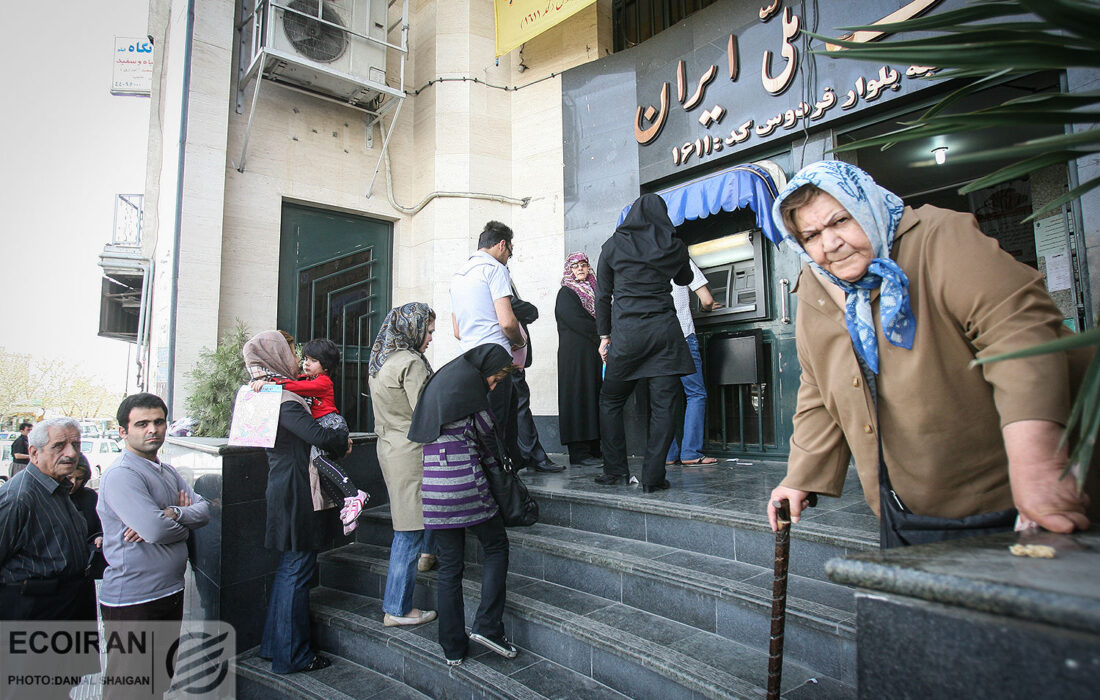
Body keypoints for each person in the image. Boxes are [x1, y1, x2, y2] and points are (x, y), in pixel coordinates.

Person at [764, 160, 1090, 543]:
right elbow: (819, 388)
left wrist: (1039, 465)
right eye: (812, 235)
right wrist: (800, 478)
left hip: (1007, 499)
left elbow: (1020, 338)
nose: (830, 243)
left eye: (841, 221)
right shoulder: (818, 284)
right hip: (901, 504)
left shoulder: (939, 237)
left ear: (867, 205)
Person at [245, 330, 352, 674]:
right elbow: (318, 436)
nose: (296, 356)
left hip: (285, 486)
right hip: (296, 490)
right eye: (290, 349)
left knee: (290, 569)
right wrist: (340, 438)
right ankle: (294, 656)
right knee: (297, 570)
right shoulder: (282, 397)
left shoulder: (263, 391)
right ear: (274, 354)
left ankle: (275, 647)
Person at [408, 344, 519, 667]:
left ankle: (452, 647)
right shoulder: (471, 399)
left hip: (434, 493)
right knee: (496, 545)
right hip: (466, 486)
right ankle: (487, 626)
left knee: (450, 568)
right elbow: (489, 441)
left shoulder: (436, 395)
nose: (493, 386)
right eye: (495, 379)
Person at [97, 392, 210, 697]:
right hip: (134, 600)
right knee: (129, 688)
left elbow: (204, 511)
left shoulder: (167, 471)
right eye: (142, 423)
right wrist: (181, 527)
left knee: (157, 682)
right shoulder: (123, 474)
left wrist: (175, 513)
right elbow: (157, 531)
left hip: (169, 593)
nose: (153, 430)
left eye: (159, 422)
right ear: (123, 431)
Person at [595, 194, 696, 492]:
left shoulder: (613, 245)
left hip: (627, 336)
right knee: (664, 407)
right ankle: (652, 478)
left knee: (610, 400)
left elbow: (603, 295)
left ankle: (615, 471)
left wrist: (605, 336)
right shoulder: (673, 245)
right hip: (664, 334)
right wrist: (676, 247)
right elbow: (684, 279)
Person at [367, 302, 438, 627]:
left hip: (390, 449)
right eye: (428, 331)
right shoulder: (410, 363)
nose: (430, 338)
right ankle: (397, 608)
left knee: (412, 521)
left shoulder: (381, 361)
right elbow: (426, 412)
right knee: (408, 531)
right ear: (414, 328)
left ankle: (427, 555)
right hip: (412, 453)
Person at [251, 337, 368, 534]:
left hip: (330, 423)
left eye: (313, 360)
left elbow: (297, 387)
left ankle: (354, 494)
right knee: (321, 471)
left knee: (319, 460)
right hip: (322, 425)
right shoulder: (308, 378)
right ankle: (346, 508)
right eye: (305, 358)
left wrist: (271, 383)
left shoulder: (323, 382)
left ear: (326, 366)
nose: (306, 363)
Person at [0, 417, 96, 621]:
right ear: (34, 453)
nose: (71, 454)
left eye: (76, 445)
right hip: (37, 612)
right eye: (59, 446)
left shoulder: (59, 488)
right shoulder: (19, 498)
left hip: (71, 604)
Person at [450, 221, 527, 468]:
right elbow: (507, 322)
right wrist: (519, 341)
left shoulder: (459, 275)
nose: (508, 258)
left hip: (469, 359)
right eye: (510, 253)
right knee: (500, 425)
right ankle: (504, 484)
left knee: (480, 425)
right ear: (502, 244)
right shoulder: (494, 269)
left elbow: (457, 331)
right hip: (497, 359)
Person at [666, 258, 721, 466]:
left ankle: (669, 454)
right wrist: (708, 308)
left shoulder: (644, 261)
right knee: (696, 393)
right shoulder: (681, 259)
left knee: (665, 396)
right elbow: (706, 300)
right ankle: (690, 453)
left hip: (658, 338)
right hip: (684, 335)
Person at [555, 252, 603, 467]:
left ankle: (593, 448)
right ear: (569, 270)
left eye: (584, 265)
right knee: (577, 397)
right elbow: (576, 320)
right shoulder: (566, 292)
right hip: (574, 357)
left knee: (593, 396)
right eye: (575, 267)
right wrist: (603, 334)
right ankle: (579, 452)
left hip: (592, 353)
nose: (580, 269)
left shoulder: (595, 291)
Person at [511, 284, 564, 472]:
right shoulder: (494, 273)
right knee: (519, 407)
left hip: (504, 358)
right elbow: (517, 308)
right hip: (508, 359)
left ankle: (531, 455)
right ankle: (532, 456)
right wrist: (530, 311)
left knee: (517, 407)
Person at [68, 455, 105, 579]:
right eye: (69, 477)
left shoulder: (89, 496)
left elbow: (101, 524)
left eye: (78, 478)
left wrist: (100, 536)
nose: (73, 483)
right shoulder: (51, 499)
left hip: (88, 565)